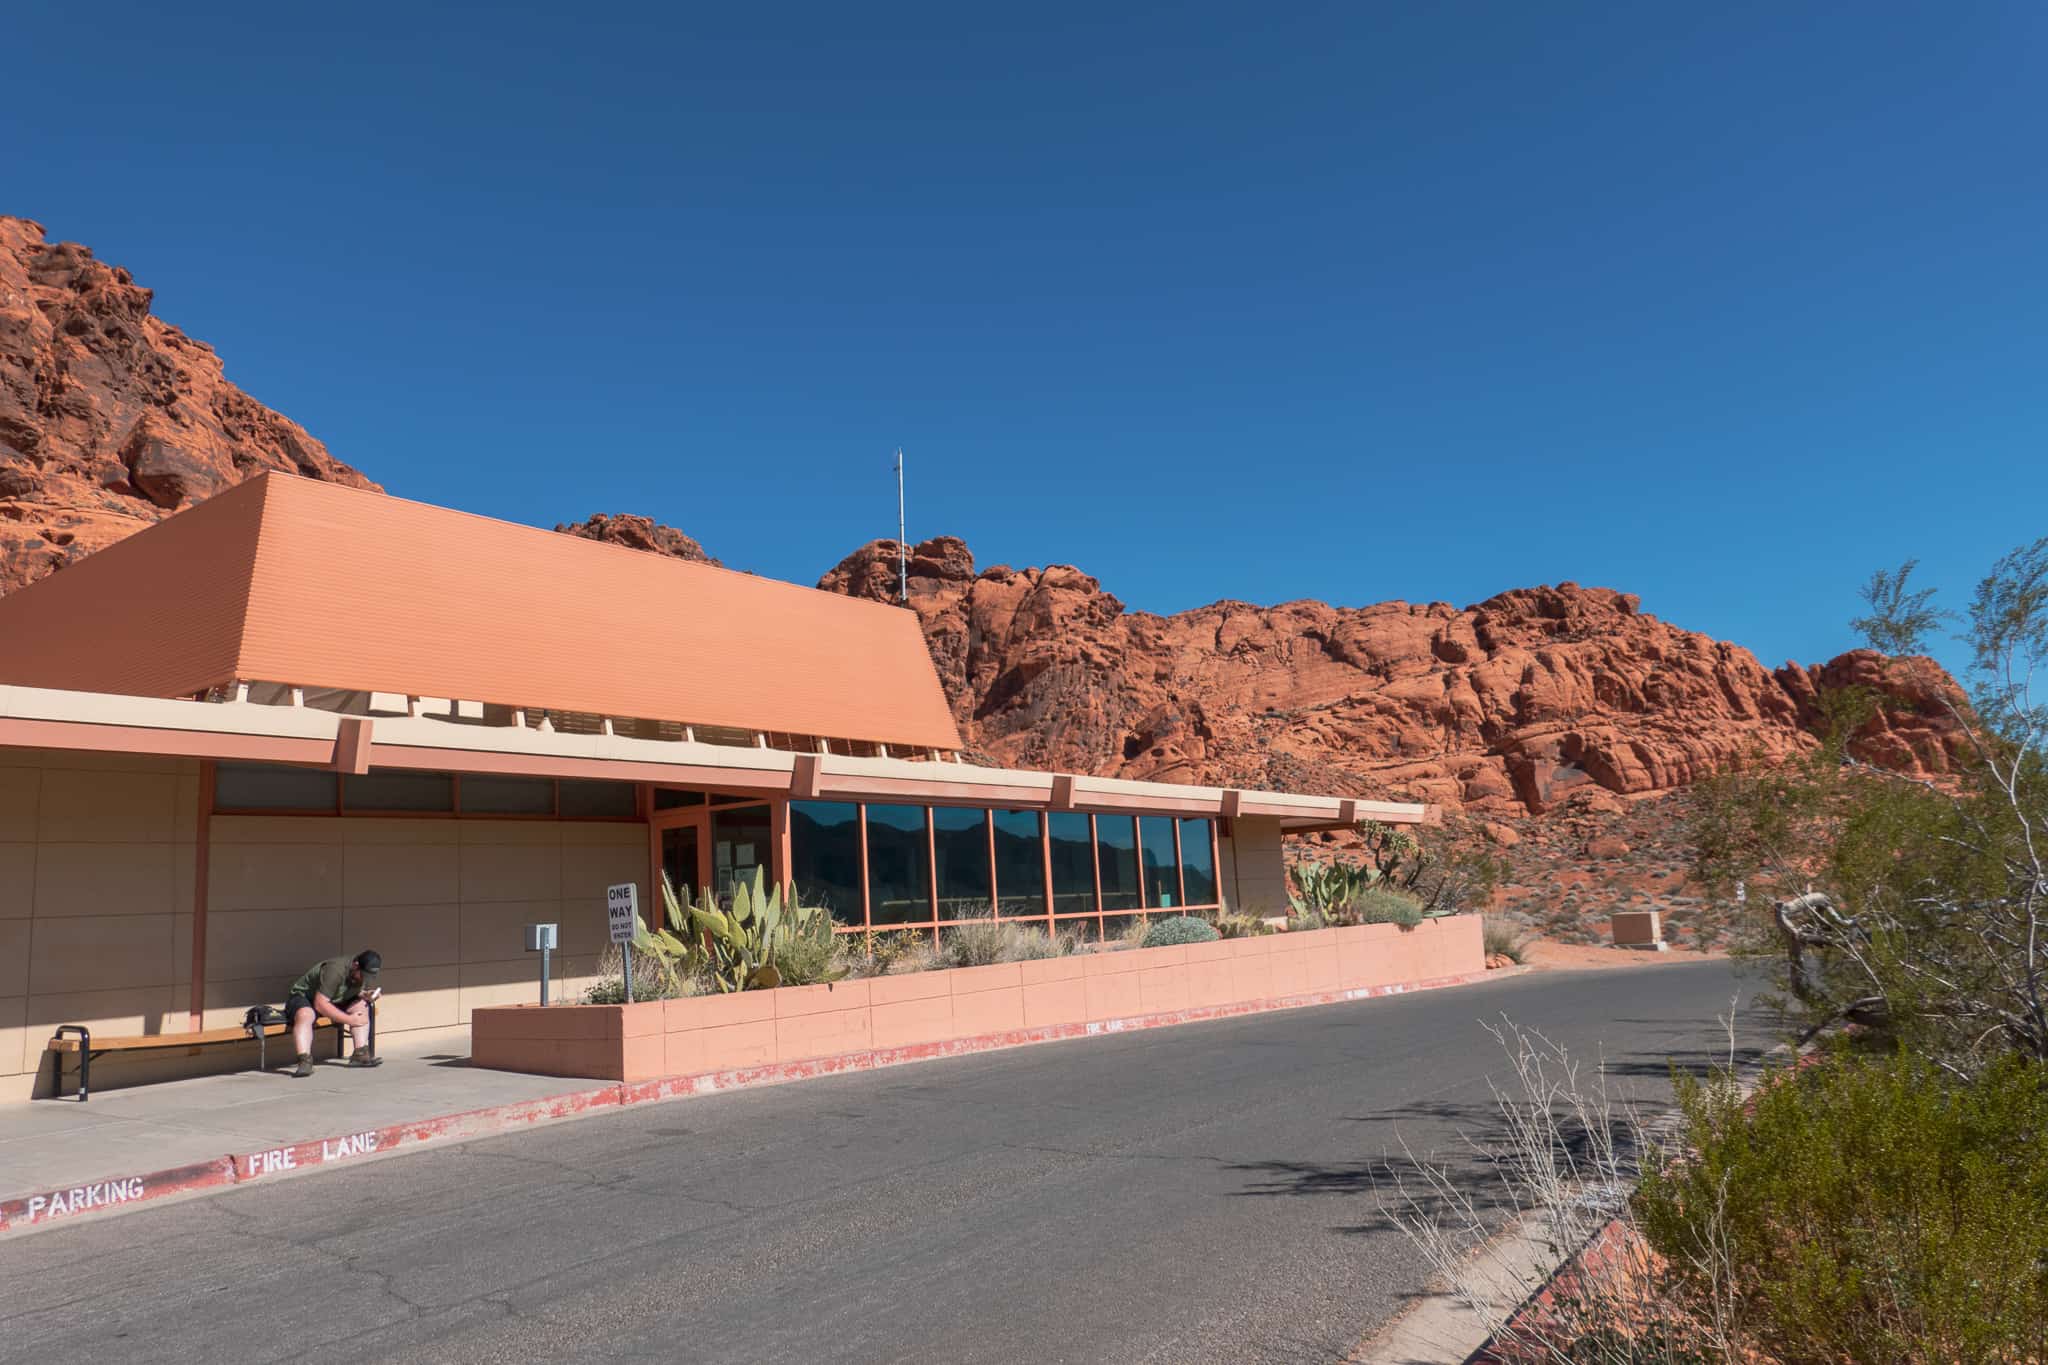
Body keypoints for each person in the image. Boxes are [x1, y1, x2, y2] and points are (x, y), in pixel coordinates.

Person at [283, 949, 384, 1077]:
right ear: (356, 965)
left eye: (370, 976)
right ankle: (304, 1061)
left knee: (362, 1006)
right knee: (305, 1015)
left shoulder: (361, 972)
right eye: (364, 975)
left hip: (334, 999)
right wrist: (350, 1020)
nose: (365, 979)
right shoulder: (335, 970)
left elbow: (346, 991)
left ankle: (360, 1054)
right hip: (305, 997)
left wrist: (366, 994)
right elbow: (320, 1004)